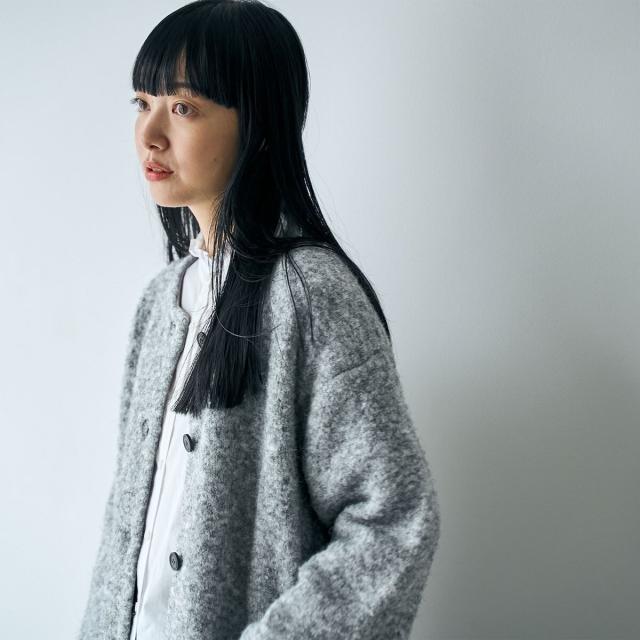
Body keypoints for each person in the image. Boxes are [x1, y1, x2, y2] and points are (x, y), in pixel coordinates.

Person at [77, 1, 441, 639]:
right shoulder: (160, 301)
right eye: (142, 102)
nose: (150, 133)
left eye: (183, 107)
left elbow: (393, 519)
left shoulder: (310, 295)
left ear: (260, 127)